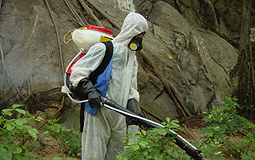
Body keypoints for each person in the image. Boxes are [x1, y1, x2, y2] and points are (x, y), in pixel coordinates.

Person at [70, 12, 148, 160]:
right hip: (98, 111)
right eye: (139, 34)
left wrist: (133, 110)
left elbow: (131, 88)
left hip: (119, 114)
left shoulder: (132, 57)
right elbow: (77, 72)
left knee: (118, 154)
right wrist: (91, 92)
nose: (139, 39)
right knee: (93, 153)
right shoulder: (104, 49)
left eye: (142, 36)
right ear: (131, 31)